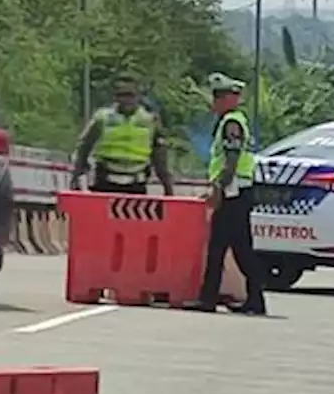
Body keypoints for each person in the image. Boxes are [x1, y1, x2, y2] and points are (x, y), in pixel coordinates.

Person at [186, 72, 267, 316]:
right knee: (230, 247)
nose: (216, 100)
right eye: (216, 96)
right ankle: (246, 298)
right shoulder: (229, 121)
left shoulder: (232, 123)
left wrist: (219, 189)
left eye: (222, 96)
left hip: (235, 192)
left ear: (233, 99)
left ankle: (217, 298)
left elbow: (231, 160)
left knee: (227, 248)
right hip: (237, 192)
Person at [70, 73, 174, 196]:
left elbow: (160, 157)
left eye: (130, 95)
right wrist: (77, 175)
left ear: (138, 96)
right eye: (121, 95)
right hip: (104, 180)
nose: (126, 100)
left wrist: (168, 187)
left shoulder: (150, 121)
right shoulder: (102, 118)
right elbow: (84, 146)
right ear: (115, 97)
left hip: (136, 182)